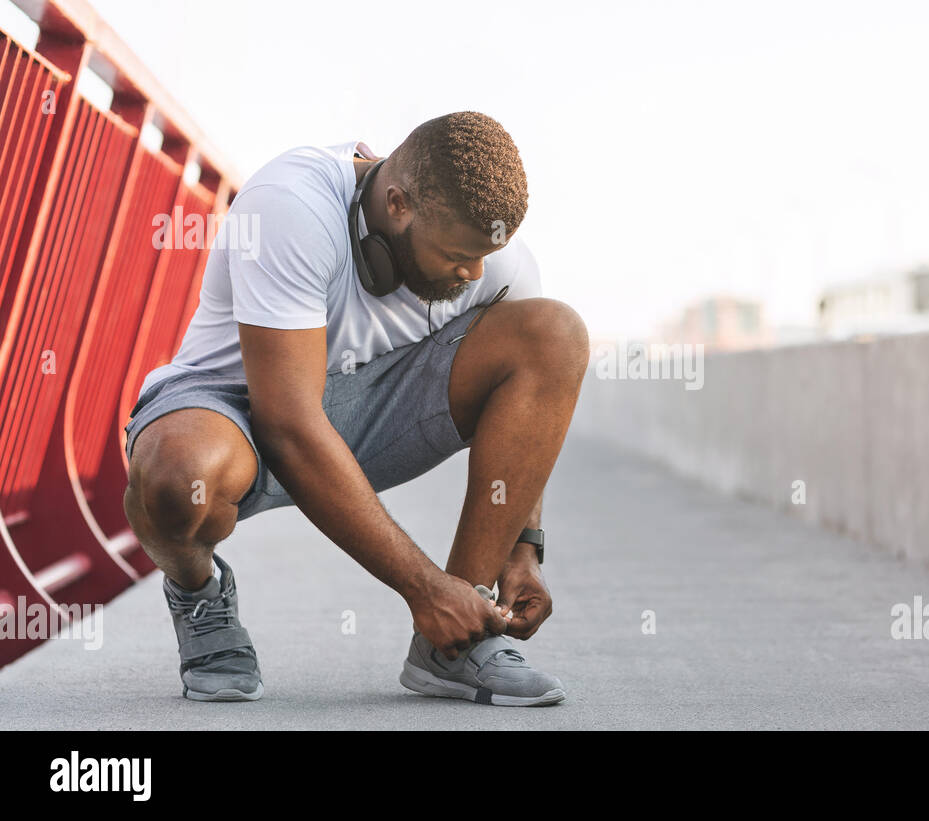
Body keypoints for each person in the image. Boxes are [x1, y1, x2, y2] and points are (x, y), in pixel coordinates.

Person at [122, 112, 587, 706]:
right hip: (238, 407)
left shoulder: (493, 258)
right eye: (456, 257)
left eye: (483, 257)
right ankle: (199, 592)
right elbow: (288, 423)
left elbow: (533, 401)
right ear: (397, 204)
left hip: (369, 411)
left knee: (555, 333)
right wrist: (423, 588)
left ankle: (457, 645)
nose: (473, 274)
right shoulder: (289, 207)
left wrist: (522, 550)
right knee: (173, 481)